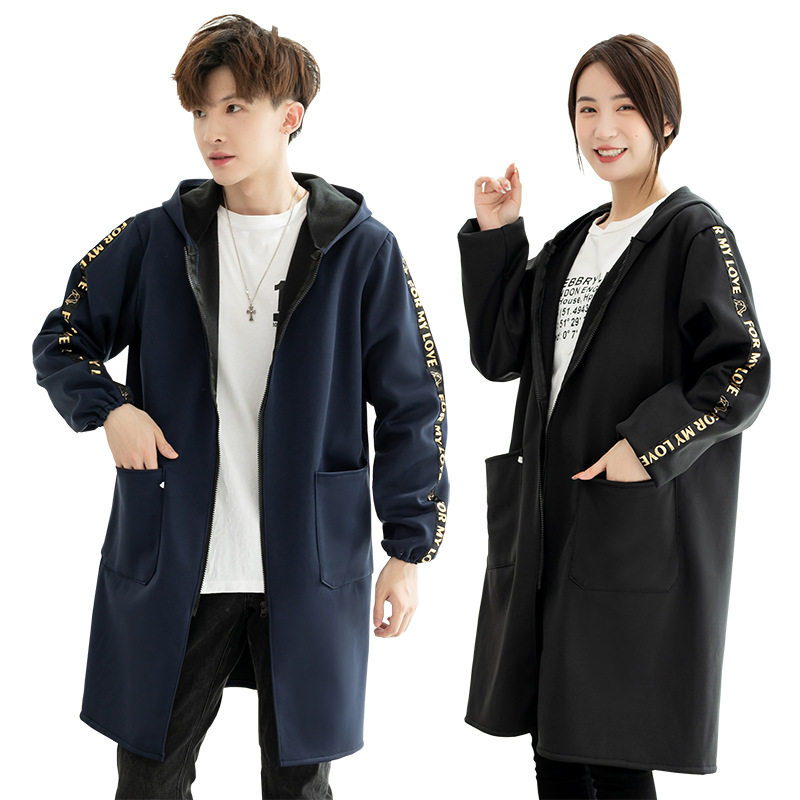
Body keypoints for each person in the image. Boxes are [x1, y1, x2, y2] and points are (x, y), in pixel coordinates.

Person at [32, 14, 447, 800]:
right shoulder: (157, 240)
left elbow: (412, 404)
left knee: (298, 788)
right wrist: (110, 410)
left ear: (290, 116)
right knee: (149, 782)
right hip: (180, 559)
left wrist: (409, 550)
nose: (211, 132)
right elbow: (61, 337)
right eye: (200, 111)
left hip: (307, 564)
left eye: (234, 108)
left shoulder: (361, 249)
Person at [458, 33, 769, 800]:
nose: (603, 128)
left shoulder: (693, 232)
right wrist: (498, 236)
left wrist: (647, 446)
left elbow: (742, 368)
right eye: (587, 108)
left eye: (625, 108)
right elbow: (500, 355)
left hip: (629, 525)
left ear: (665, 120)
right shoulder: (573, 243)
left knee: (613, 747)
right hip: (551, 520)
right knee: (557, 742)